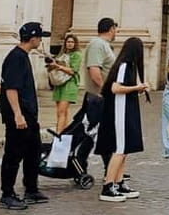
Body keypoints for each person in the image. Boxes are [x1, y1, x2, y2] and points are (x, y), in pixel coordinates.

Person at [0, 22, 51, 210]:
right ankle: (7, 194)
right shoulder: (16, 58)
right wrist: (18, 115)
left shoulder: (24, 56)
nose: (41, 40)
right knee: (13, 155)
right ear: (33, 38)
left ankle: (31, 188)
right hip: (19, 117)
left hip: (29, 116)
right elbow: (11, 89)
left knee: (33, 152)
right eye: (40, 37)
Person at [96, 37, 149, 202]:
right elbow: (115, 88)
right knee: (119, 149)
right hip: (120, 110)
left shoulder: (127, 66)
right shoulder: (124, 65)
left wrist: (136, 90)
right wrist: (137, 87)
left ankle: (118, 182)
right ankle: (108, 185)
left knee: (124, 149)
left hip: (125, 108)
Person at [84, 17, 118, 174]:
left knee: (105, 133)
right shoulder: (97, 44)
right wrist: (106, 91)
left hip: (102, 97)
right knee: (92, 133)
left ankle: (110, 168)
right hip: (98, 97)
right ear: (111, 29)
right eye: (116, 29)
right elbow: (95, 71)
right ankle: (82, 164)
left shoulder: (104, 45)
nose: (116, 32)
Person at [49, 32, 83, 133]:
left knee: (62, 110)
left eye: (72, 42)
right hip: (59, 83)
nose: (70, 44)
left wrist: (58, 66)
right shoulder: (61, 54)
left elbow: (73, 70)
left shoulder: (77, 55)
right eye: (68, 42)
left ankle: (58, 134)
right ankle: (65, 133)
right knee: (61, 111)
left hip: (70, 83)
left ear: (75, 43)